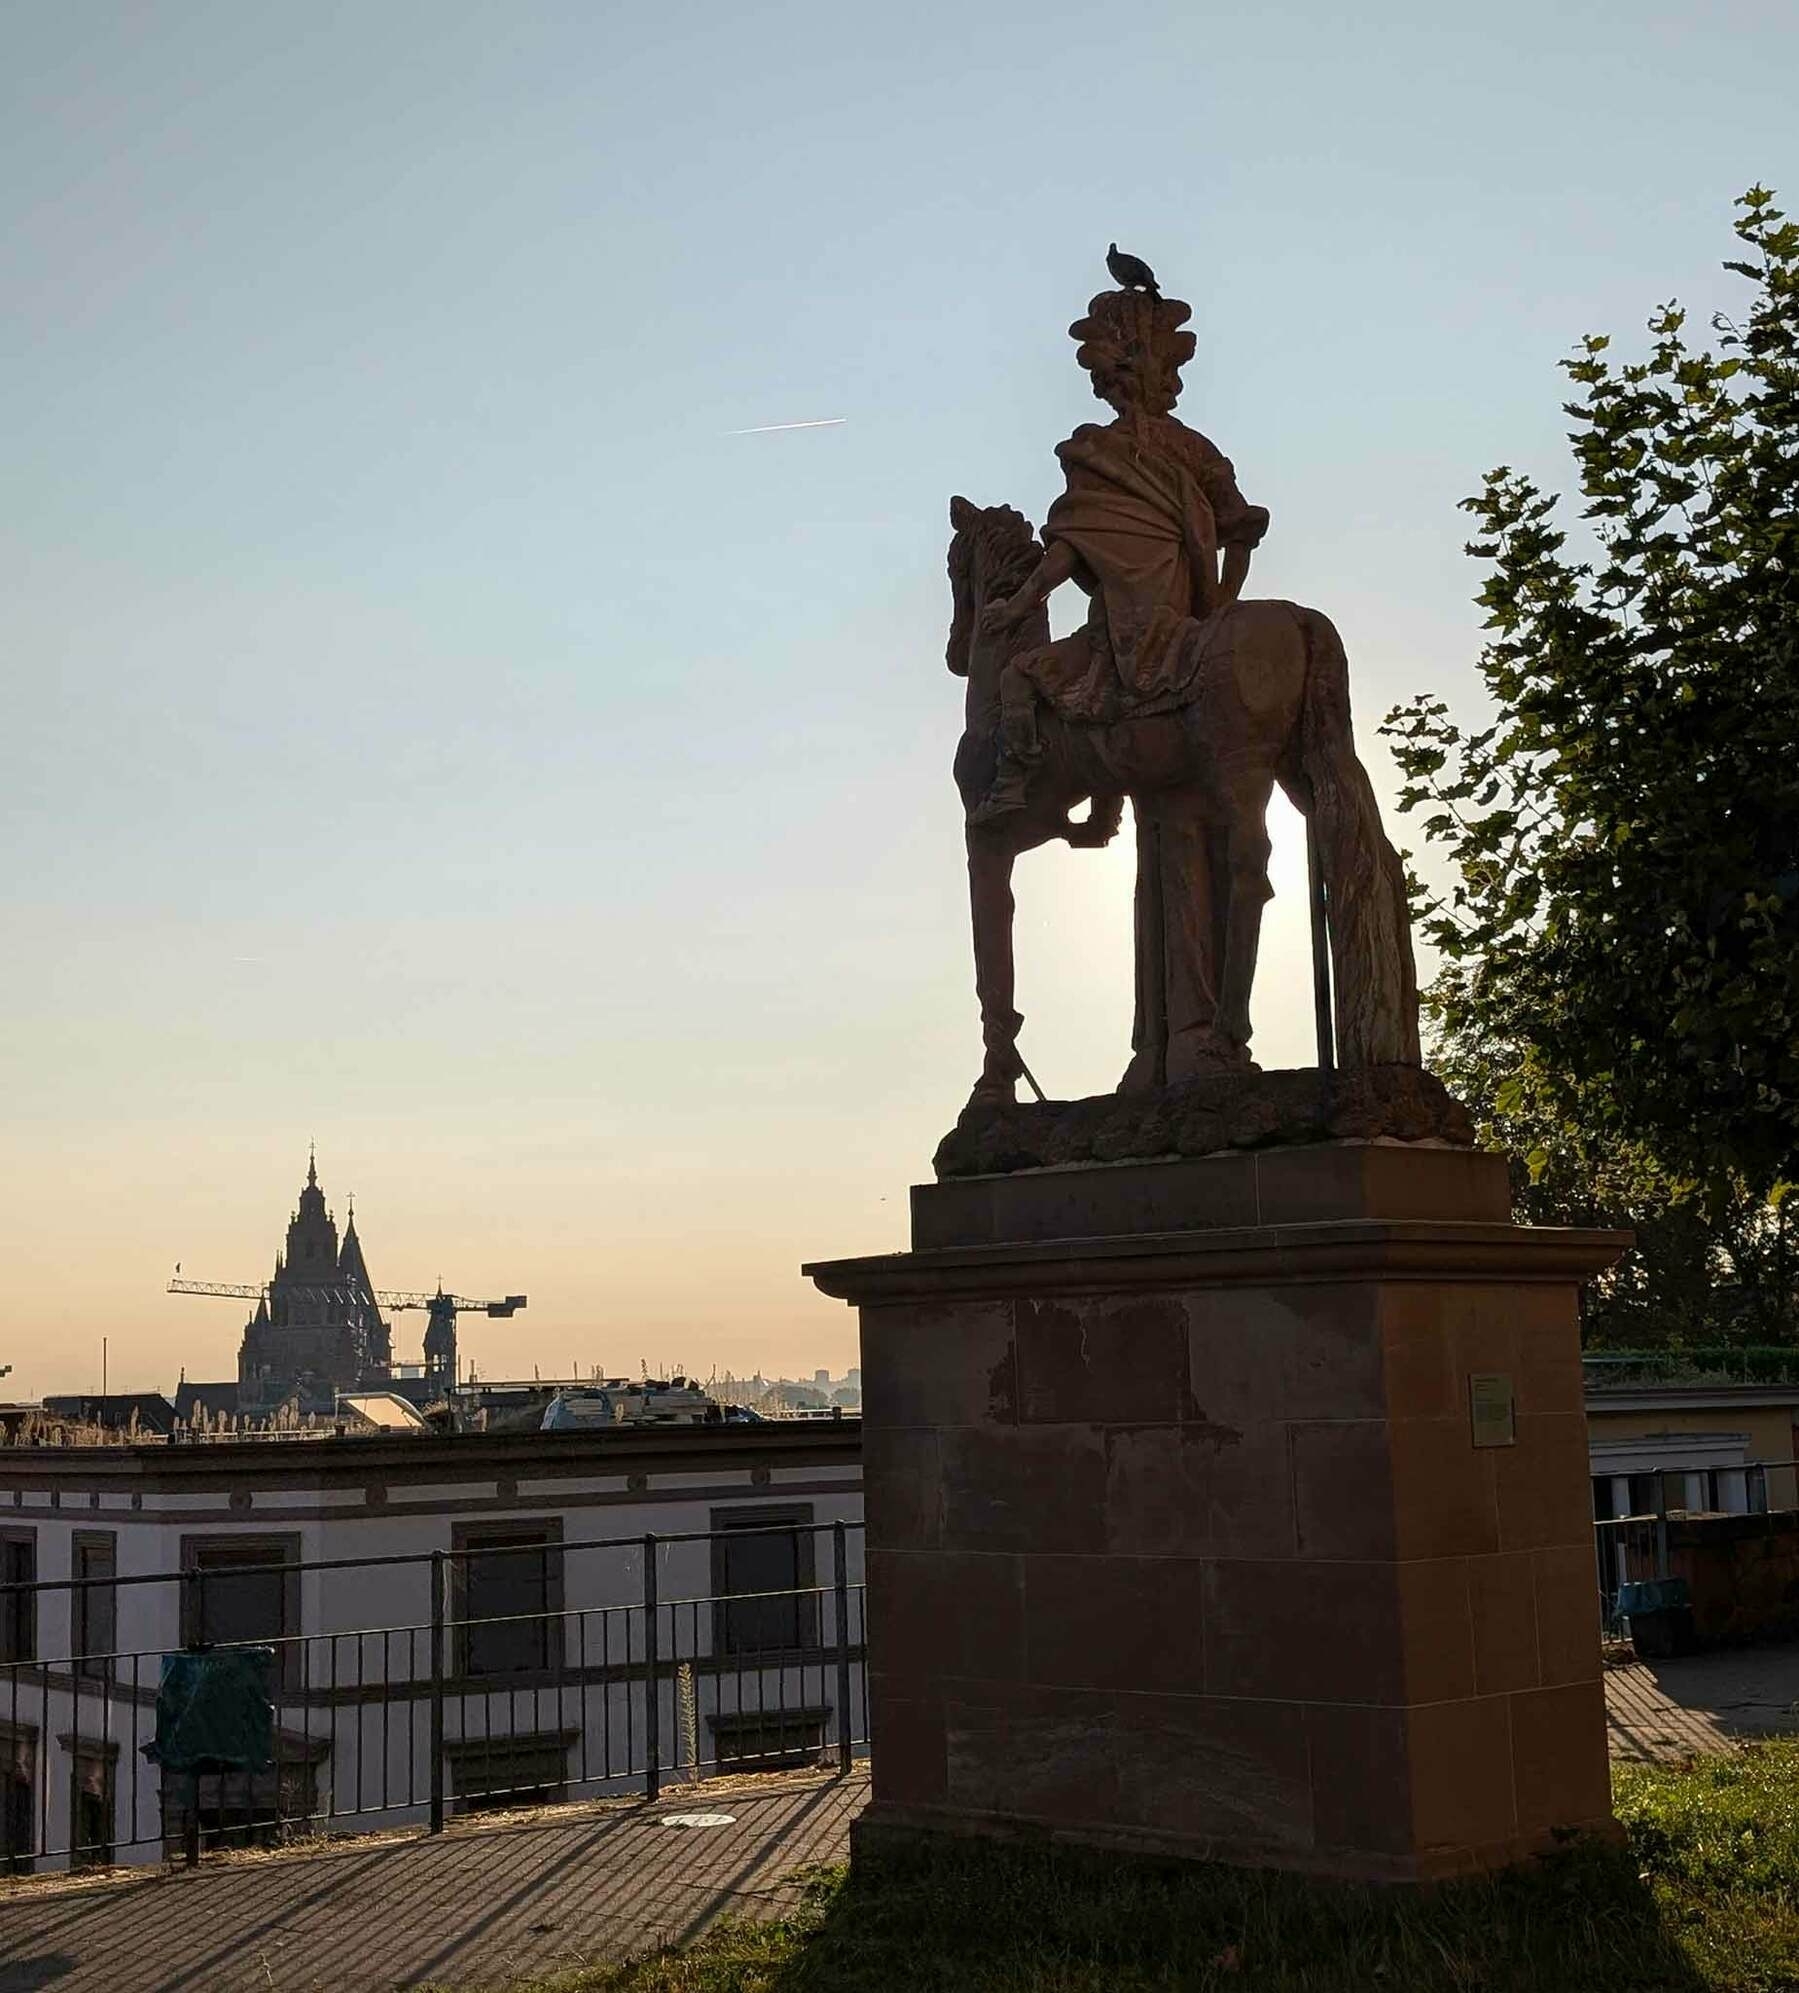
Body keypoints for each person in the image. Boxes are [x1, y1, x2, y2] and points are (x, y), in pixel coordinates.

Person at [969, 289, 1269, 824]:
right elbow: (1243, 529)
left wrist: (1015, 609)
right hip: (1188, 623)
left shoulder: (1095, 452)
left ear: (1114, 381)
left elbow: (1065, 553)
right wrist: (1220, 602)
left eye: (1104, 380)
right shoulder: (1194, 448)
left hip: (1123, 632)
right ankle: (1105, 810)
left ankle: (1013, 787)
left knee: (1020, 676)